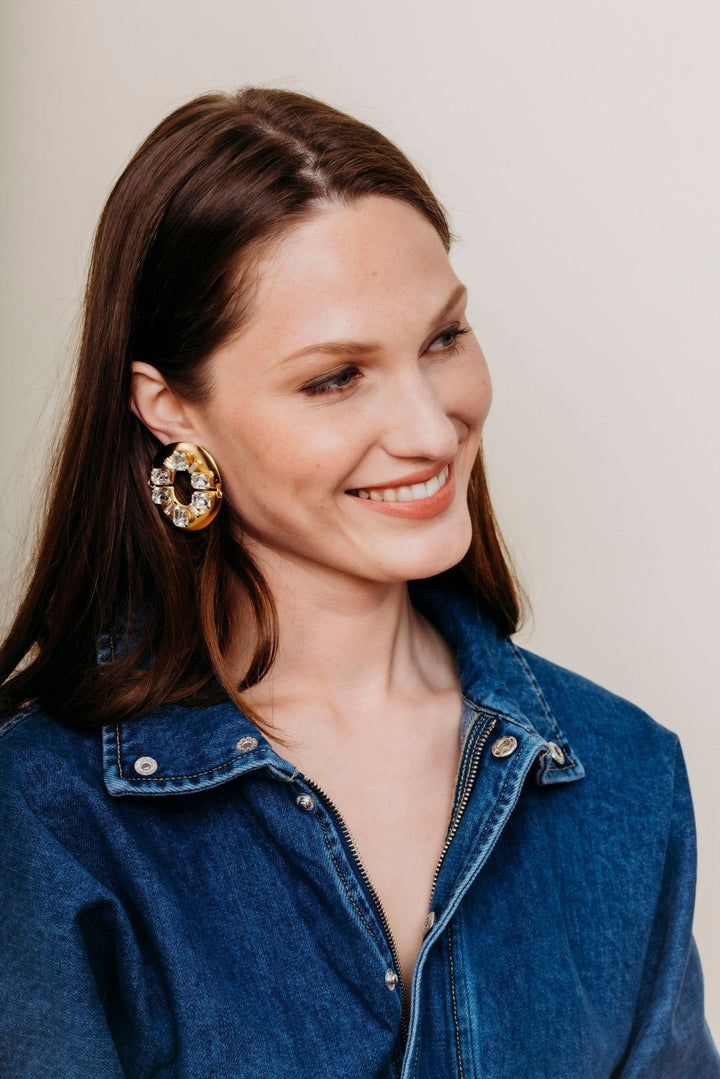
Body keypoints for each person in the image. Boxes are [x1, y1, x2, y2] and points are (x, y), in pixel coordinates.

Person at [0, 87, 717, 1079]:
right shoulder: (45, 814)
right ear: (169, 407)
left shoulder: (624, 775)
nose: (431, 428)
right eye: (335, 377)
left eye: (443, 338)